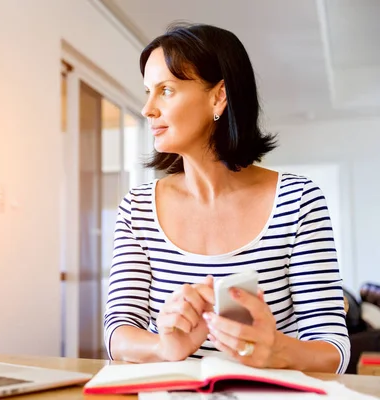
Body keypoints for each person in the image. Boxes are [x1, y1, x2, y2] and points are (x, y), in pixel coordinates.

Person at [103, 23, 350, 374]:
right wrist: (164, 346)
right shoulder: (138, 208)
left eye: (166, 91)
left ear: (218, 96)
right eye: (147, 91)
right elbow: (117, 333)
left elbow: (333, 348)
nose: (147, 109)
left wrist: (275, 350)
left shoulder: (298, 201)